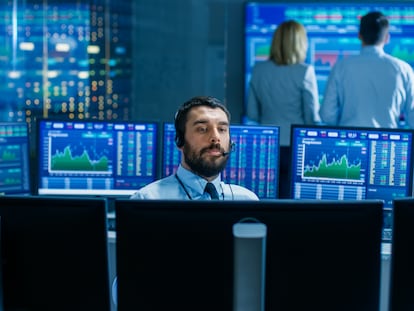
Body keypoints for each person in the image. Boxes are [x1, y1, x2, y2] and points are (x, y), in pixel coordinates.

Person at [130, 96, 259, 200]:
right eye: (202, 129)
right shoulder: (148, 200)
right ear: (180, 141)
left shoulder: (247, 201)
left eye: (222, 129)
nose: (215, 137)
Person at [320, 11, 414, 128]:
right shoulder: (404, 70)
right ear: (387, 38)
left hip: (349, 141)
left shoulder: (341, 67)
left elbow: (327, 115)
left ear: (359, 35)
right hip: (388, 142)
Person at [246, 20, 321, 146]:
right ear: (301, 44)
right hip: (295, 144)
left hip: (267, 142)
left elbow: (252, 114)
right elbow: (311, 117)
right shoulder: (305, 71)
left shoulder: (258, 70)